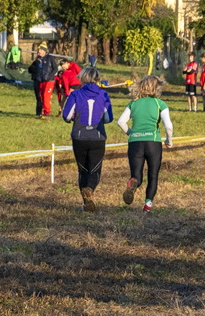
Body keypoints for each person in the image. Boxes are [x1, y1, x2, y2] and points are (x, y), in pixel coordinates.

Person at [116, 74, 174, 212]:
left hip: (135, 143)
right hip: (153, 142)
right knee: (153, 176)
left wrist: (131, 133)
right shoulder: (160, 104)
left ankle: (134, 183)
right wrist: (169, 140)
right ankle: (147, 206)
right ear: (157, 88)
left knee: (136, 176)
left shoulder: (134, 103)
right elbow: (168, 126)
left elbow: (121, 122)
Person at [60, 66, 114, 211]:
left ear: (82, 78)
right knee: (95, 170)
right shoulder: (103, 95)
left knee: (83, 170)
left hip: (79, 137)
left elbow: (66, 116)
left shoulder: (75, 94)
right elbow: (109, 118)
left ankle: (85, 204)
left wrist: (74, 118)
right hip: (97, 137)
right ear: (97, 79)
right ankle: (90, 189)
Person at [28, 45, 58, 117]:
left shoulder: (50, 58)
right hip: (40, 80)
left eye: (41, 50)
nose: (39, 51)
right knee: (41, 97)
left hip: (48, 80)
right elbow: (30, 69)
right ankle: (41, 112)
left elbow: (55, 68)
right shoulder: (38, 60)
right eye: (38, 50)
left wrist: (50, 76)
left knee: (46, 96)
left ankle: (47, 113)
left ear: (44, 51)